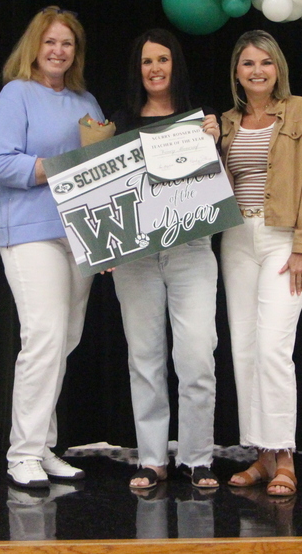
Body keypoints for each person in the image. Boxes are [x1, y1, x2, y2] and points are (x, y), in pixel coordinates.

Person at [0, 6, 104, 489]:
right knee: (45, 337)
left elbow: (100, 170)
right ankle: (23, 453)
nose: (58, 51)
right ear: (35, 47)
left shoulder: (85, 99)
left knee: (64, 341)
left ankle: (43, 445)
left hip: (80, 234)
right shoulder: (17, 94)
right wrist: (62, 167)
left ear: (76, 52)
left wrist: (108, 240)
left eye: (67, 44)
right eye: (50, 42)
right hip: (30, 231)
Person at [219, 30, 302, 496]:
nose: (257, 71)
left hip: (283, 239)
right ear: (237, 73)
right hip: (235, 239)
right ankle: (261, 456)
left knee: (272, 347)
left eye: (265, 63)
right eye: (248, 64)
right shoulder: (225, 122)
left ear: (278, 69)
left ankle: (285, 454)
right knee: (244, 348)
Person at [109, 29, 222, 490]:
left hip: (192, 251)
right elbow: (112, 195)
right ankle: (152, 459)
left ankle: (197, 458)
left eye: (162, 59)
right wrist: (108, 244)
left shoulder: (201, 120)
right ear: (137, 70)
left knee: (197, 356)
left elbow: (223, 187)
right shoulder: (119, 121)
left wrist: (216, 140)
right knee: (145, 358)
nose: (154, 69)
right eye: (145, 62)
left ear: (176, 64)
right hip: (136, 256)